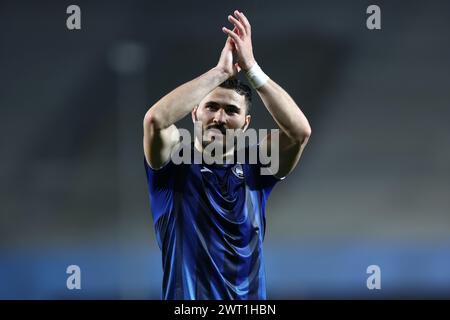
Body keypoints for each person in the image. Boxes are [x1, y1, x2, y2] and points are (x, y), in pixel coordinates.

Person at [143, 10, 311, 300]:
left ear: (246, 124)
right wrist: (219, 73)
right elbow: (155, 120)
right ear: (195, 111)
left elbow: (299, 132)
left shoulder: (258, 166)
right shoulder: (171, 164)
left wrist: (252, 68)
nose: (220, 117)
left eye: (232, 111)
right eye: (211, 107)